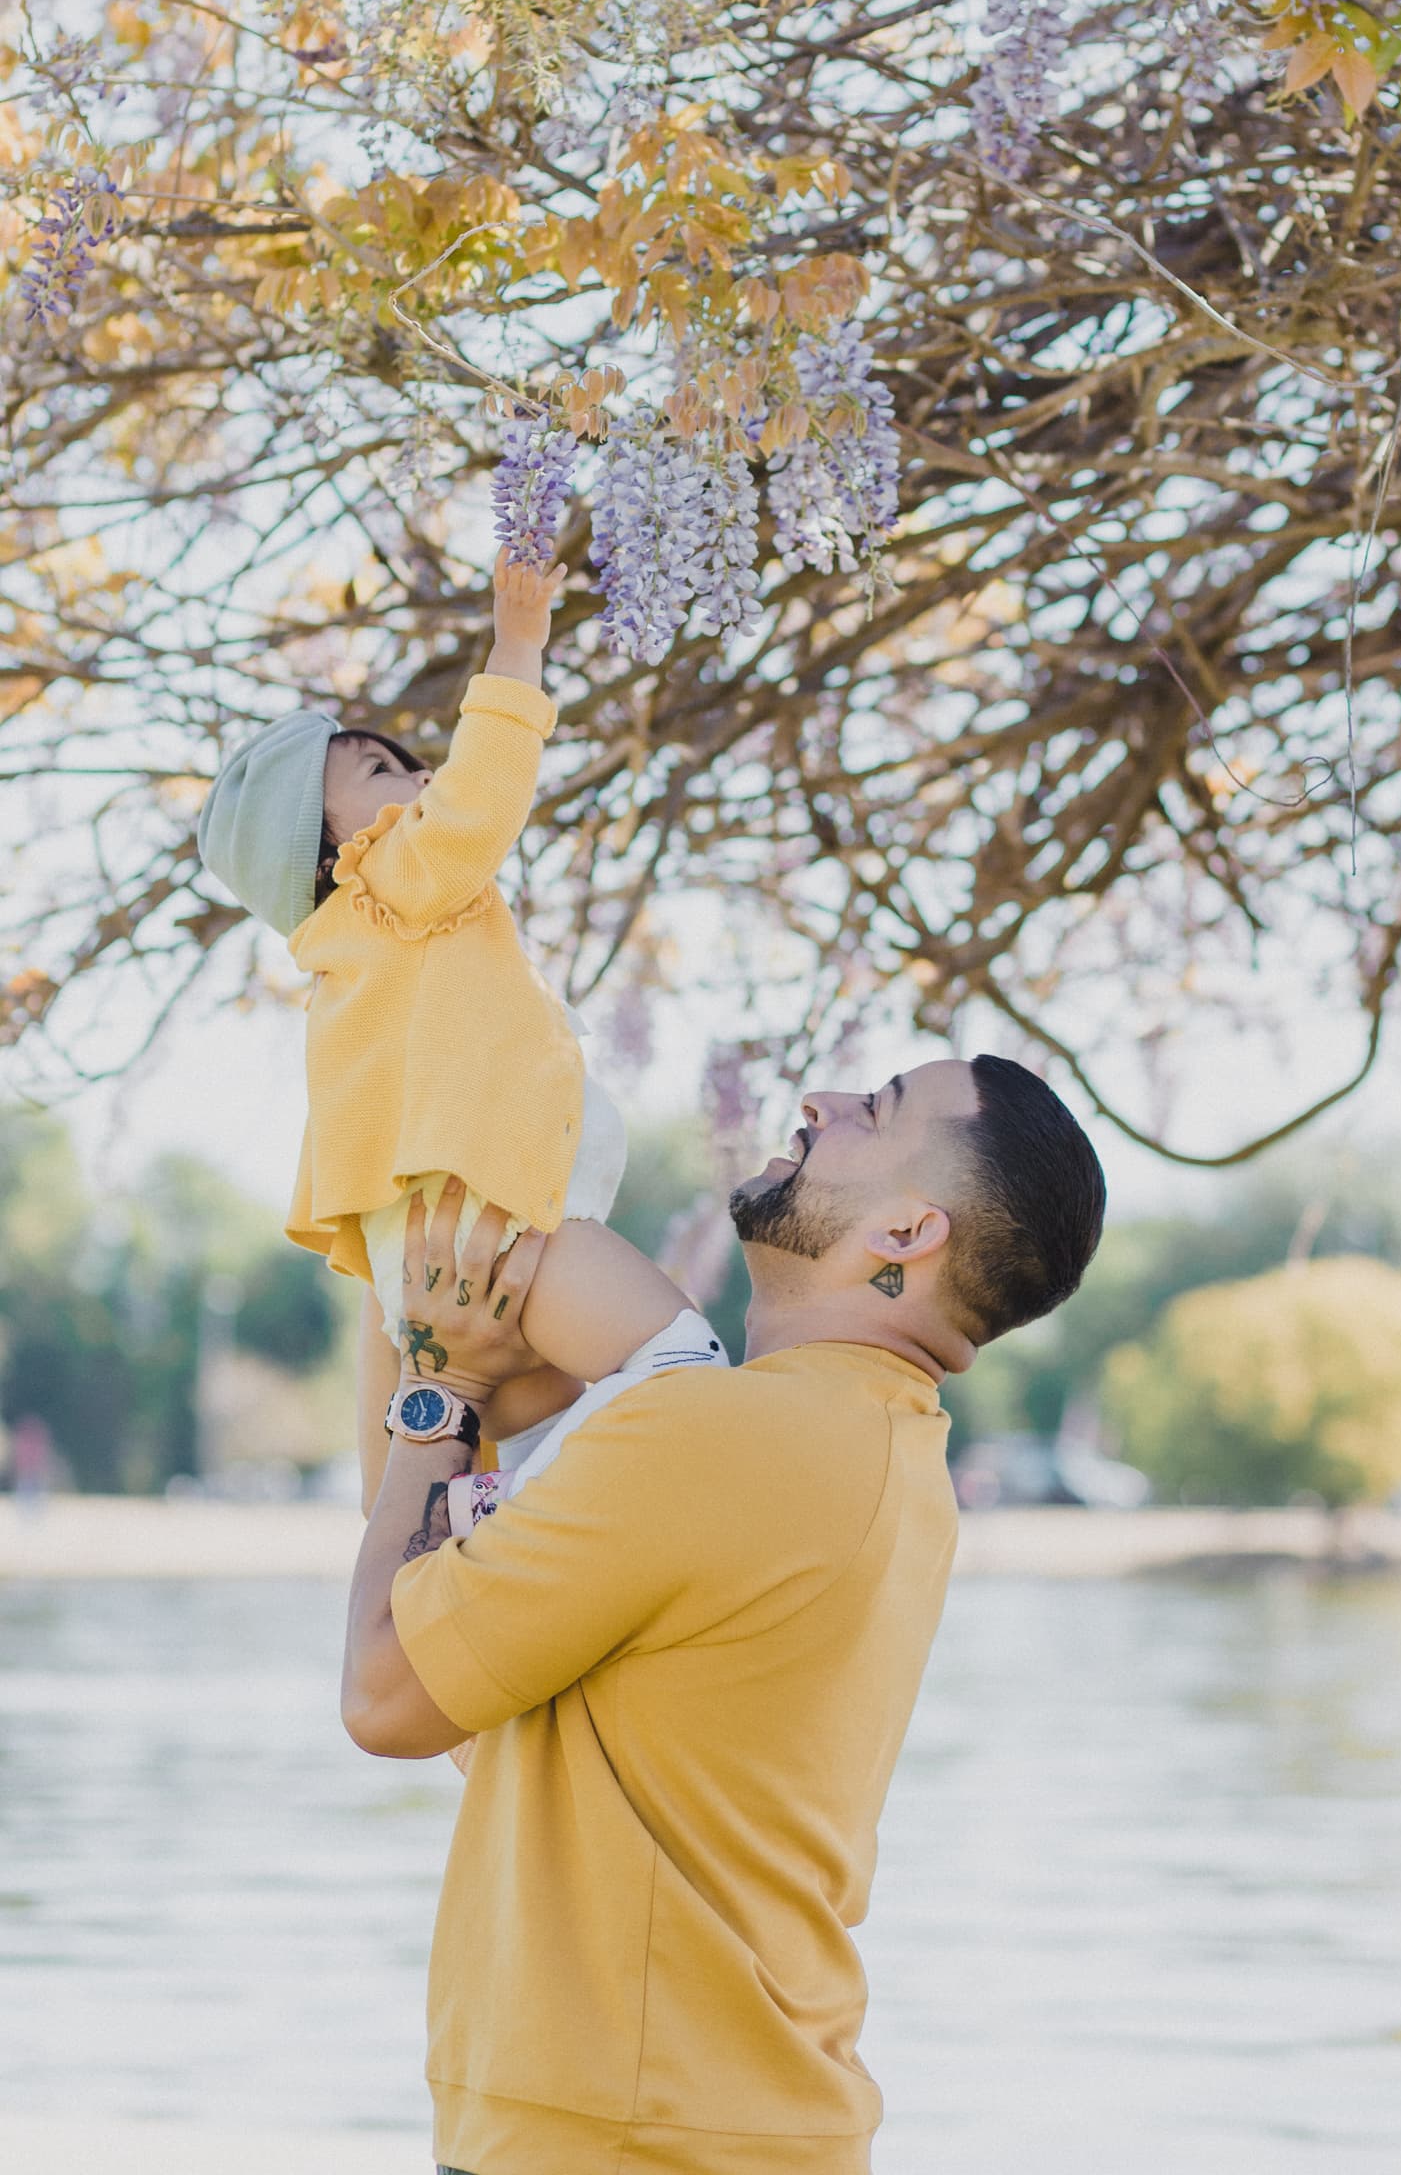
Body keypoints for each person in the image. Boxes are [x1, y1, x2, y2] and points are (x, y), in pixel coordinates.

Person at [342, 1049, 1107, 2175]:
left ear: (907, 1233)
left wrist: (436, 1397)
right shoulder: (880, 1451)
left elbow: (388, 1696)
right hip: (685, 2120)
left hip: (627, 2136)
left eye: (875, 1110)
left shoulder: (726, 1439)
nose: (822, 1103)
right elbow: (488, 1709)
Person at [194, 547, 724, 1523]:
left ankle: (477, 1541)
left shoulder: (348, 961)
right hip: (506, 1239)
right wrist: (518, 648)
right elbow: (480, 800)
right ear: (330, 850)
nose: (420, 773)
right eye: (381, 770)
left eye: (409, 760)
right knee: (685, 1361)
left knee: (459, 1485)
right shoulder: (389, 879)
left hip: (438, 1283)